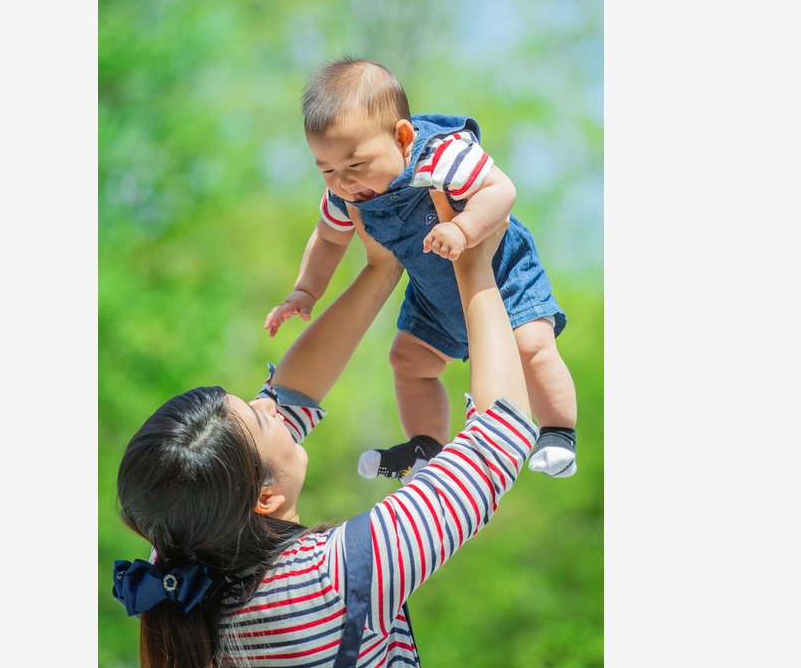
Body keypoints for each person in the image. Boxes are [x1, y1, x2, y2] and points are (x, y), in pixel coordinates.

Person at [113, 195, 539, 667]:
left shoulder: (183, 561)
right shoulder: (340, 574)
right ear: (265, 497)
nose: (269, 403)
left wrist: (380, 268)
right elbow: (499, 437)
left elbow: (289, 398)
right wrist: (473, 263)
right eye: (260, 416)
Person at [264, 57, 578, 482]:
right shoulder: (347, 195)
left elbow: (501, 190)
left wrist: (464, 228)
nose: (343, 182)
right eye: (327, 170)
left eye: (355, 166)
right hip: (433, 295)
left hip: (503, 276)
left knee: (532, 348)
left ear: (403, 137)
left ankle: (558, 433)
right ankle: (426, 444)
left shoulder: (442, 156)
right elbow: (328, 238)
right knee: (408, 360)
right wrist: (305, 290)